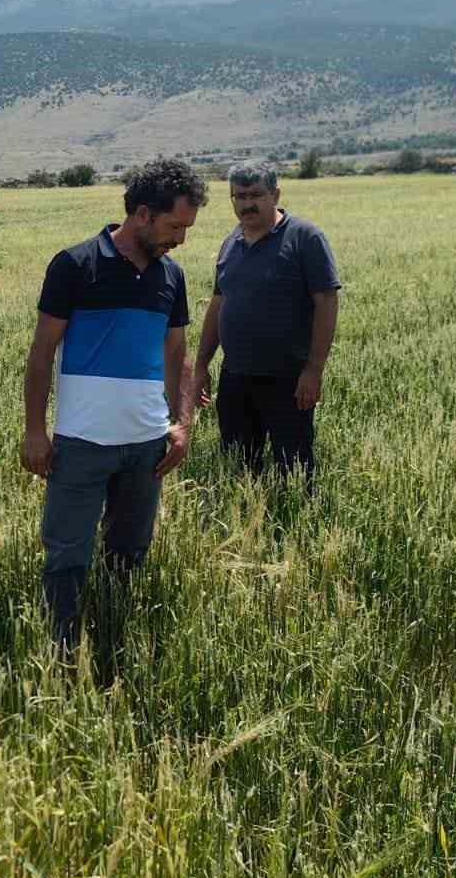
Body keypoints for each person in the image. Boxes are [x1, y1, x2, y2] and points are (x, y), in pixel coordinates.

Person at [20, 158, 207, 647]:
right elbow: (42, 353)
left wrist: (182, 424)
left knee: (129, 551)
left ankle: (114, 634)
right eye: (175, 226)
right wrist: (36, 431)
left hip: (147, 447)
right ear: (143, 213)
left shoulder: (172, 277)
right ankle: (59, 650)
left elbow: (177, 353)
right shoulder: (75, 265)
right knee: (67, 554)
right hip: (82, 443)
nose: (181, 239)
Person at [189, 165, 340, 480]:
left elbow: (326, 302)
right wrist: (202, 364)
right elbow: (218, 304)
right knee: (239, 465)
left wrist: (313, 370)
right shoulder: (231, 243)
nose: (247, 204)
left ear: (276, 195)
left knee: (294, 469)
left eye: (255, 195)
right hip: (236, 376)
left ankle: (295, 523)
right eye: (239, 196)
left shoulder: (304, 238)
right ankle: (249, 522)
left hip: (288, 379)